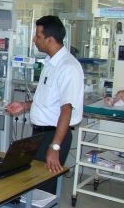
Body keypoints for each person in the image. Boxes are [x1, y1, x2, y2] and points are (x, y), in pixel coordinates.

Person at [6, 15, 84, 190]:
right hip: (40, 134)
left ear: (50, 39)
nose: (34, 40)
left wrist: (55, 147)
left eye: (38, 36)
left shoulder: (68, 68)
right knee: (30, 183)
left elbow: (66, 110)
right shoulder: (50, 64)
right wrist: (24, 106)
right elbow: (48, 100)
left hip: (54, 136)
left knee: (43, 188)